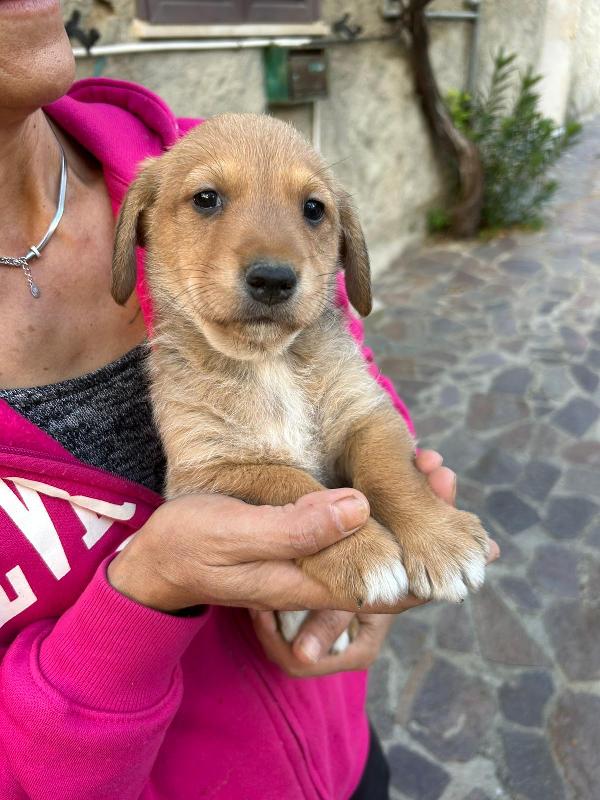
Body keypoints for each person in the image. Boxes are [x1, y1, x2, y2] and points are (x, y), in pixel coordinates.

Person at [0, 4, 499, 799]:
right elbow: (211, 472)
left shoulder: (179, 153)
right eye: (207, 202)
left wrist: (403, 499)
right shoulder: (179, 331)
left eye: (313, 212)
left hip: (341, 750)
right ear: (146, 228)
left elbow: (366, 414)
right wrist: (149, 588)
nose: (273, 259)